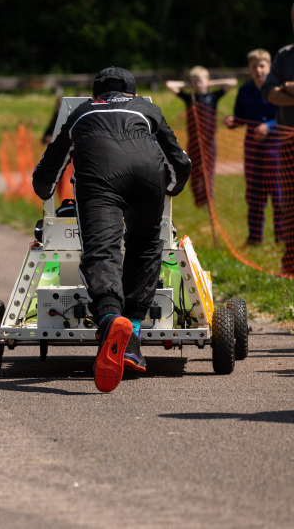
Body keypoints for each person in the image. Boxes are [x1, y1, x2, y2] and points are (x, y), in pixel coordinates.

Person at [33, 67, 191, 392]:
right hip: (150, 173)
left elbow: (50, 165)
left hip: (100, 175)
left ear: (95, 96)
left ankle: (109, 318)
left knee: (102, 250)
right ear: (133, 94)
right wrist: (170, 187)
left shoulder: (82, 112)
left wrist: (45, 189)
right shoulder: (147, 109)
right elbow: (181, 162)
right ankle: (131, 334)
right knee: (146, 245)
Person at [223, 49, 279, 246]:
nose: (258, 70)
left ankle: (281, 239)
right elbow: (240, 118)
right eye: (254, 66)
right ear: (249, 68)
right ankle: (255, 238)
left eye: (262, 66)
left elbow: (287, 118)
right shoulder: (245, 90)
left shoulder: (277, 90)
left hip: (276, 150)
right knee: (254, 195)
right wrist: (233, 121)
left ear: (269, 67)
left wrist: (270, 126)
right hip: (253, 149)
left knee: (278, 195)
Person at [166, 67, 237, 206]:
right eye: (195, 81)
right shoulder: (190, 98)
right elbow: (170, 85)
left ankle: (207, 199)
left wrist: (210, 83)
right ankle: (198, 199)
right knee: (194, 171)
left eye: (201, 80)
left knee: (208, 173)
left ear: (207, 81)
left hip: (210, 143)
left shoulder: (213, 97)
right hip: (194, 143)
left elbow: (232, 82)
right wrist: (189, 85)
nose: (198, 83)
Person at [263, 2, 294, 276]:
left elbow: (279, 89)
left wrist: (289, 86)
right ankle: (290, 259)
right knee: (290, 204)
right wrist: (283, 88)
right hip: (288, 142)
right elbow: (269, 93)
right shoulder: (285, 55)